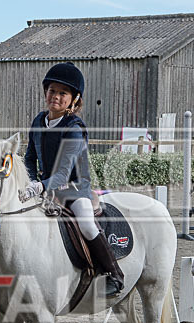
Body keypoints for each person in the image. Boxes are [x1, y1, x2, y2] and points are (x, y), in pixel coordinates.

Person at [18, 62, 124, 298]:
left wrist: (39, 186)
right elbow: (29, 159)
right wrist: (30, 181)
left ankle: (114, 274)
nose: (55, 96)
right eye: (52, 91)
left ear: (74, 99)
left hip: (74, 189)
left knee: (86, 223)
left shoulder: (74, 128)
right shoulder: (38, 121)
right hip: (46, 189)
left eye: (62, 93)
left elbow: (63, 174)